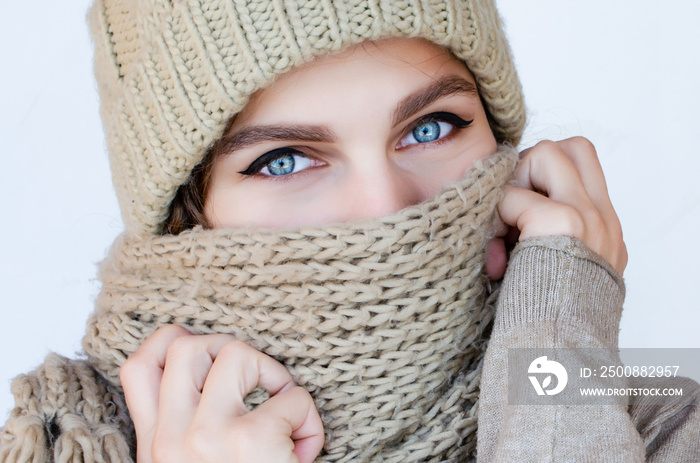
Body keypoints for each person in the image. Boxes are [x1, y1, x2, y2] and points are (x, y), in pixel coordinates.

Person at [1, 1, 698, 462]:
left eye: (431, 127)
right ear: (189, 217)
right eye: (284, 159)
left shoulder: (664, 422)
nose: (384, 205)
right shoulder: (68, 441)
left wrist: (556, 354)